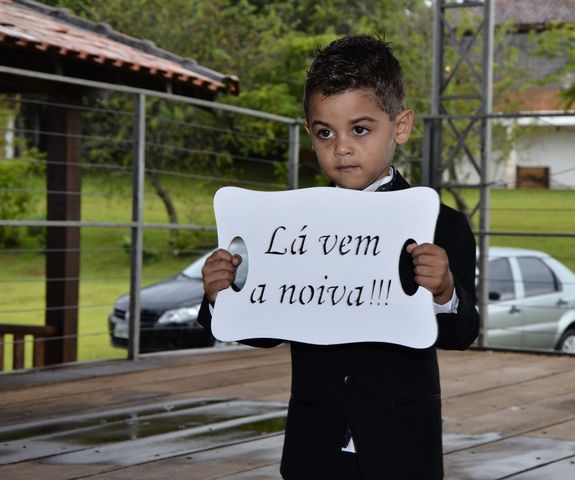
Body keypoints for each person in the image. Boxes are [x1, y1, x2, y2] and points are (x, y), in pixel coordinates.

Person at [197, 35, 479, 480]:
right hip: (314, 447)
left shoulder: (442, 227)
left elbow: (462, 333)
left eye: (360, 129)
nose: (341, 147)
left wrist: (444, 291)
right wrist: (221, 294)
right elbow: (266, 331)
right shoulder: (288, 229)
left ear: (400, 126)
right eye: (325, 133)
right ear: (309, 132)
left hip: (402, 448)